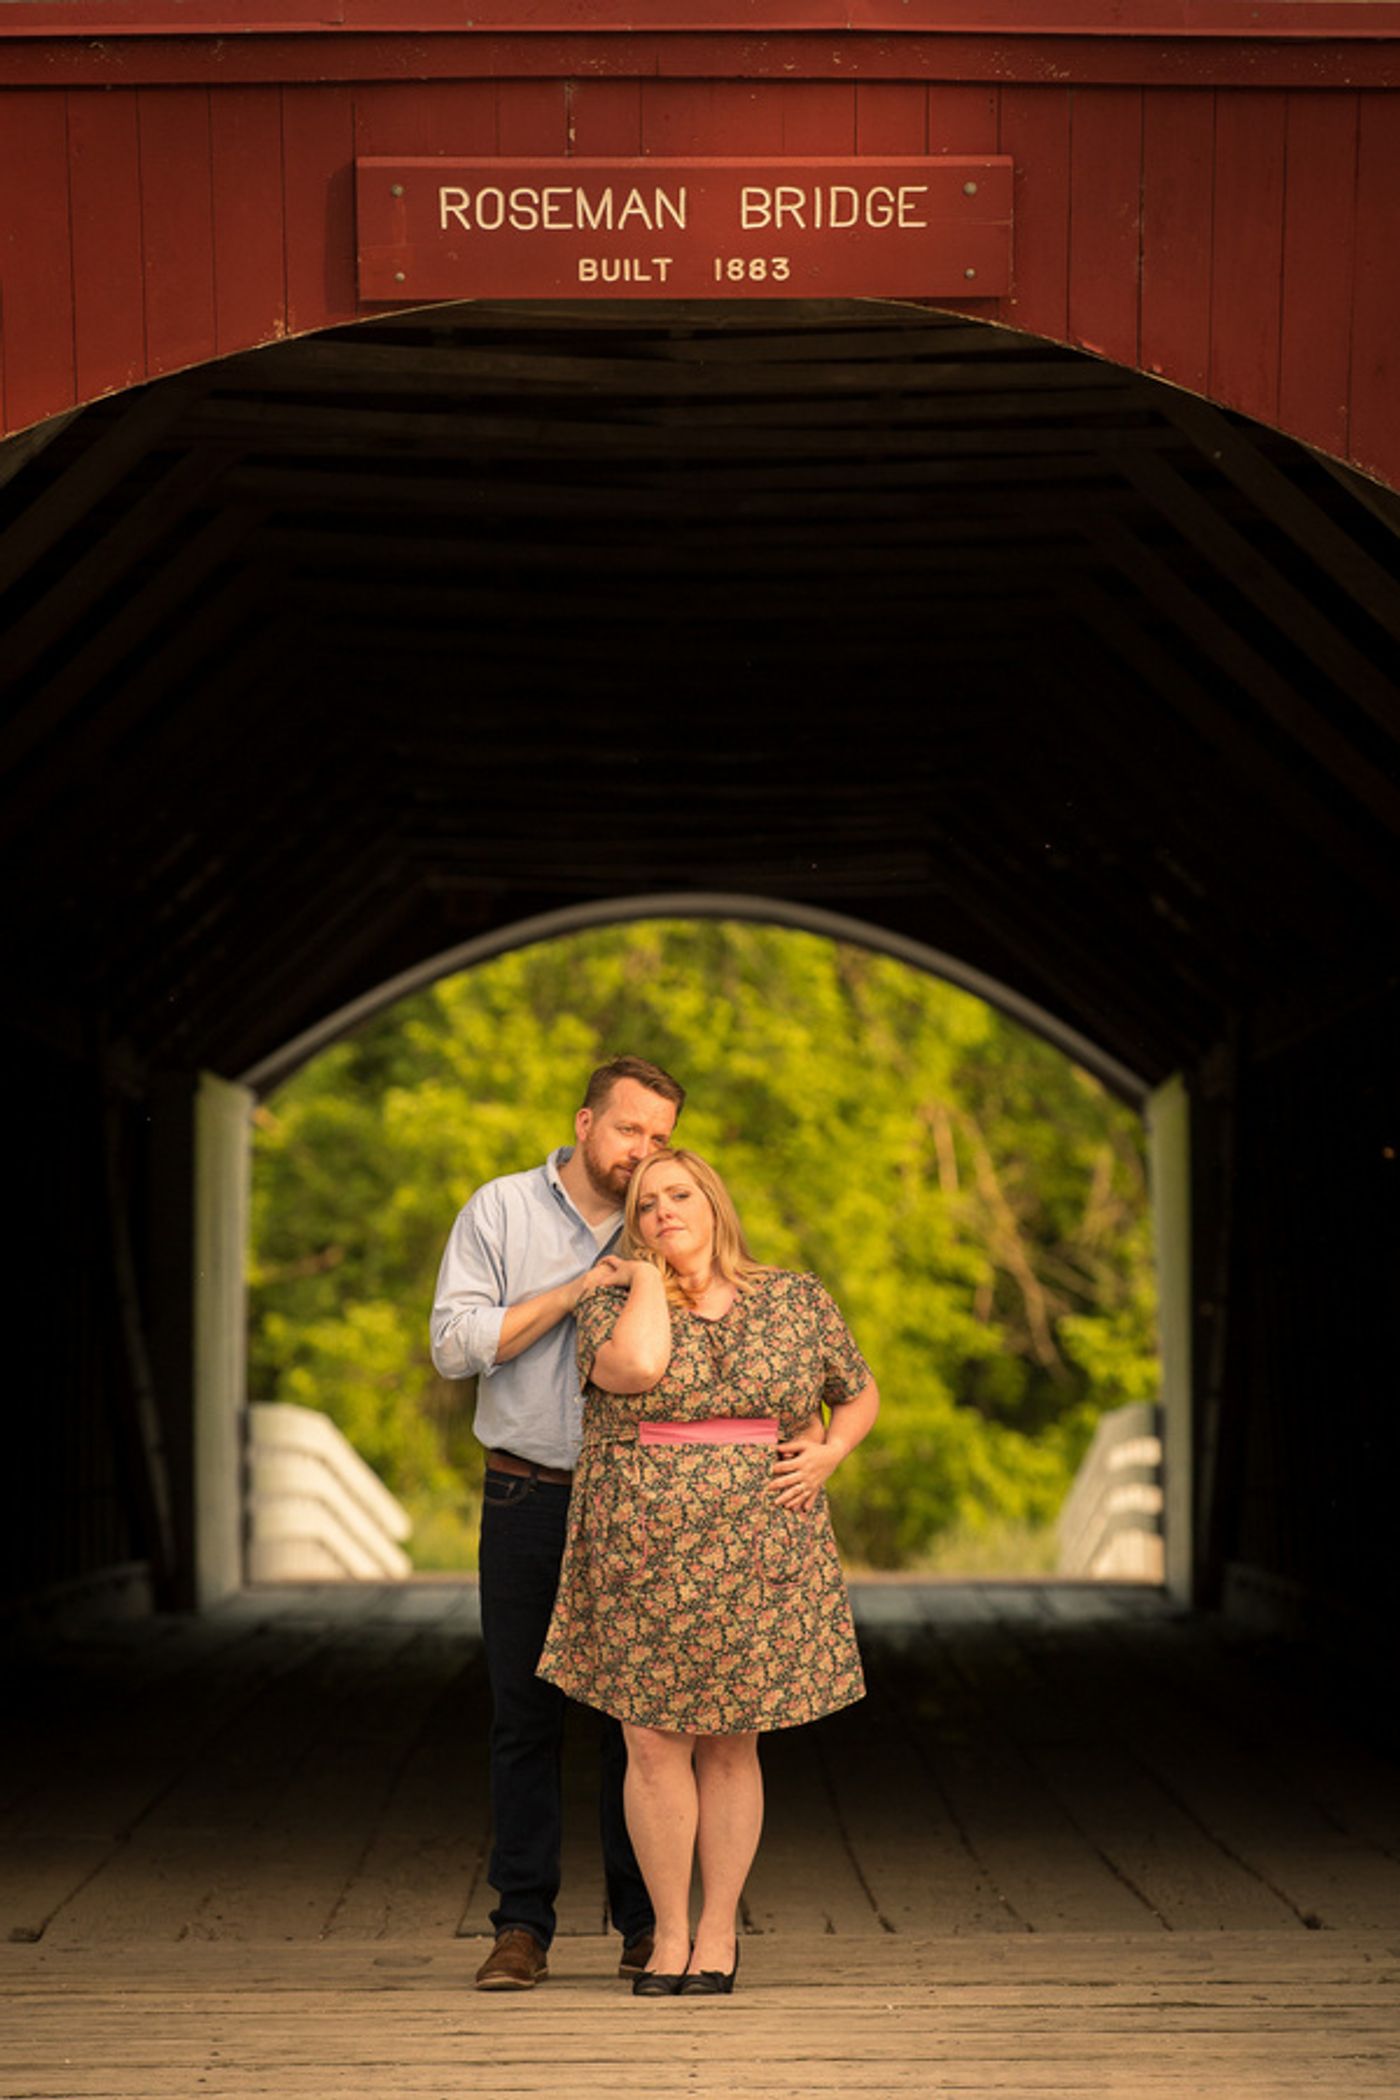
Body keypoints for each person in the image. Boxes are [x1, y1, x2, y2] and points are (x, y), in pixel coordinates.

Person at [536, 1147, 879, 1997]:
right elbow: (640, 1370)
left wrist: (832, 1450)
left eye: (679, 1196)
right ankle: (667, 1937)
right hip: (642, 1544)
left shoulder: (794, 1297)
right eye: (646, 1206)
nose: (663, 1214)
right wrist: (649, 1280)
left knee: (732, 1742)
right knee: (651, 1745)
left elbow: (860, 1390)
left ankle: (719, 1934)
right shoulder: (610, 1301)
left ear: (714, 1201)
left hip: (763, 1541)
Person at [429, 1054, 686, 1992]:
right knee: (524, 1718)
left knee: (641, 1721)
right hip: (527, 1494)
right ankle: (521, 1926)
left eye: (660, 1138)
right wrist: (576, 1291)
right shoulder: (498, 1212)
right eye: (629, 1131)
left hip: (639, 1501)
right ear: (584, 1124)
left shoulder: (670, 1217)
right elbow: (456, 1345)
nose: (642, 1154)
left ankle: (647, 1925)